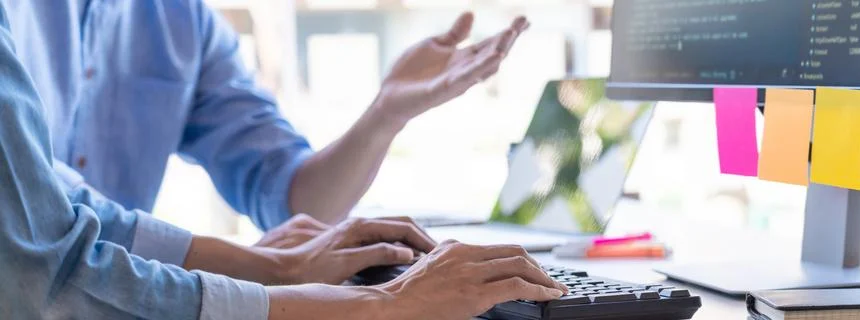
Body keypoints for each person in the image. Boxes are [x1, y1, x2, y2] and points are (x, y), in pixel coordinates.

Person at [0, 7, 567, 319]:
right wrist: (377, 306)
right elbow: (48, 274)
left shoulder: (178, 20)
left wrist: (384, 115)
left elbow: (297, 200)